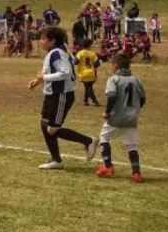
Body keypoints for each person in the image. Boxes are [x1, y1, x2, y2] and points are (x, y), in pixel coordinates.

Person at [29, 26, 98, 170]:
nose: (40, 41)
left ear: (52, 41)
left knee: (52, 129)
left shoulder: (57, 52)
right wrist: (39, 80)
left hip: (61, 95)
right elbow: (53, 69)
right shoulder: (56, 51)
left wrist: (44, 77)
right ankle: (56, 160)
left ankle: (88, 141)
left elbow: (65, 73)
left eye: (43, 39)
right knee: (44, 124)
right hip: (51, 94)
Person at [95, 53, 146, 182]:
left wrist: (107, 112)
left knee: (104, 137)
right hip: (131, 118)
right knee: (131, 145)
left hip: (117, 116)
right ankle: (136, 173)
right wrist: (135, 110)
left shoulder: (114, 79)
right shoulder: (136, 79)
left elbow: (112, 96)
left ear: (116, 66)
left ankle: (107, 166)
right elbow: (143, 98)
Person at [76, 38, 101, 106]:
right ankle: (86, 100)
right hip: (91, 72)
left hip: (83, 73)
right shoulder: (93, 54)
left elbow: (76, 62)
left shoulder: (80, 53)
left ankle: (94, 101)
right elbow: (97, 64)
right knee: (88, 86)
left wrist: (73, 59)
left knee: (88, 87)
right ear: (89, 45)